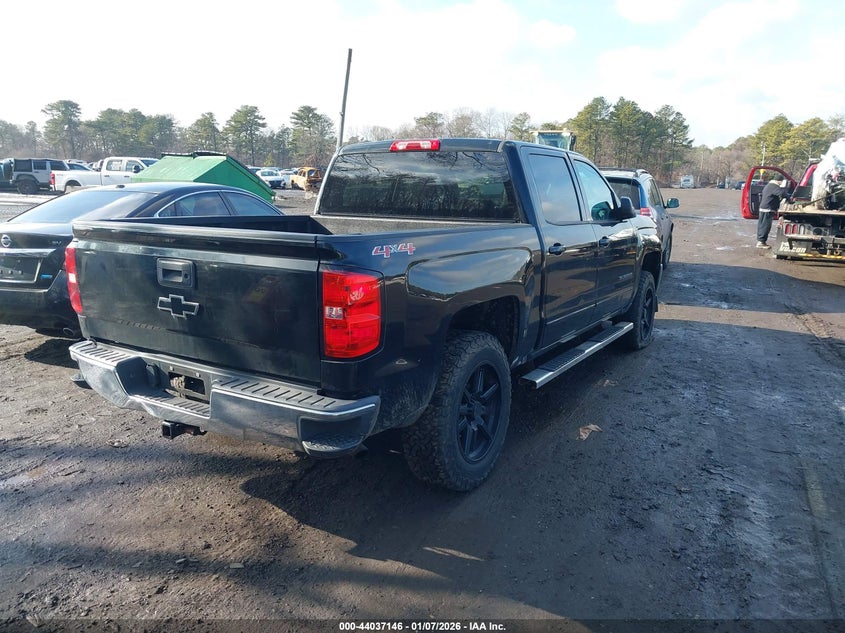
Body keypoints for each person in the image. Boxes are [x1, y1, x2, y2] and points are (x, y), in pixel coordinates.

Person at [757, 176, 790, 249]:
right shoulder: (774, 186)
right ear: (779, 181)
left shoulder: (768, 185)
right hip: (768, 209)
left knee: (762, 225)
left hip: (764, 208)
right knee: (765, 226)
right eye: (782, 181)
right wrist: (789, 199)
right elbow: (781, 193)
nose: (782, 183)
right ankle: (761, 242)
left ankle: (761, 241)